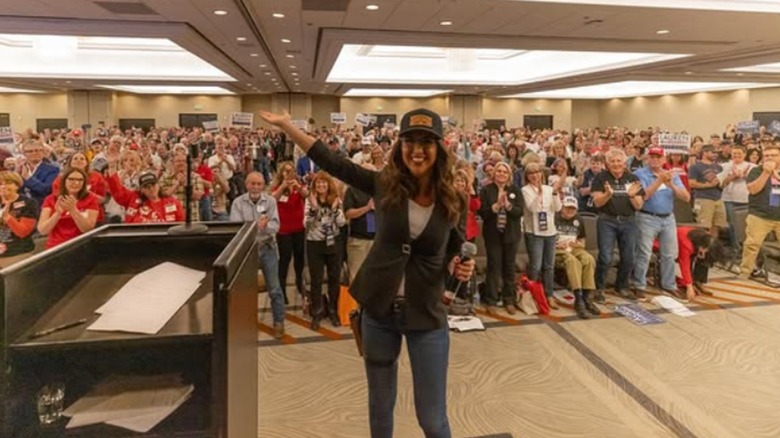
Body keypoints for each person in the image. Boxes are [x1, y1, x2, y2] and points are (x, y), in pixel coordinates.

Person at [259, 107, 474, 438]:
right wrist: (288, 125)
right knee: (380, 407)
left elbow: (453, 247)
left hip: (427, 313)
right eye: (410, 142)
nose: (417, 150)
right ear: (400, 147)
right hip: (379, 311)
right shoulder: (383, 184)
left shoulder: (452, 199)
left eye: (426, 142)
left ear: (439, 148)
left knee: (432, 419)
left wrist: (461, 264)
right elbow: (333, 163)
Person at [231, 172, 286, 339]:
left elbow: (275, 226)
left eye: (259, 184)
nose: (255, 187)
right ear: (247, 185)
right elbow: (237, 228)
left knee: (274, 288)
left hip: (268, 248)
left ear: (263, 186)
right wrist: (258, 225)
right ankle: (244, 324)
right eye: (252, 184)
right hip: (247, 249)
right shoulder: (238, 203)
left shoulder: (270, 201)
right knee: (245, 290)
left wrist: (255, 227)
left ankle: (279, 322)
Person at [632, 147, 690, 300]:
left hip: (668, 218)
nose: (655, 160)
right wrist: (659, 180)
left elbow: (686, 198)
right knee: (644, 253)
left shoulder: (672, 174)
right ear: (647, 159)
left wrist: (671, 184)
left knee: (669, 254)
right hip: (647, 217)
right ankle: (639, 285)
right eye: (652, 157)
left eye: (658, 157)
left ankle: (669, 285)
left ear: (664, 159)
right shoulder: (639, 174)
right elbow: (644, 196)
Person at [591, 148, 645, 303]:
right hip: (607, 221)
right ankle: (599, 288)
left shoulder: (632, 178)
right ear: (607, 164)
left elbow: (638, 206)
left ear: (624, 163)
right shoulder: (601, 178)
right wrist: (607, 194)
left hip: (629, 221)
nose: (616, 164)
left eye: (618, 161)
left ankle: (622, 286)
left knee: (629, 257)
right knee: (605, 257)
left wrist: (632, 195)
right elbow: (597, 201)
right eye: (612, 161)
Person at [479, 161, 524, 315]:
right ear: (494, 173)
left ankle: (509, 300)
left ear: (509, 175)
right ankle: (491, 300)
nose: (501, 174)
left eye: (505, 172)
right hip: (493, 234)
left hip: (511, 234)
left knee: (509, 268)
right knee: (493, 266)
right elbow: (483, 213)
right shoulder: (486, 190)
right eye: (499, 171)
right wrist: (496, 206)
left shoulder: (515, 190)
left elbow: (519, 212)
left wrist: (508, 206)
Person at [304, 171, 347, 329]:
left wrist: (335, 210)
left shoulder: (335, 200)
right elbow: (306, 224)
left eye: (324, 182)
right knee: (316, 280)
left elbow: (342, 223)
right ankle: (317, 312)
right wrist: (314, 209)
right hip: (315, 244)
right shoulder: (310, 201)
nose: (321, 185)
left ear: (329, 185)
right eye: (318, 183)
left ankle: (333, 311)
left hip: (333, 244)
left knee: (334, 279)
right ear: (314, 186)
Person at [522, 162, 563, 308]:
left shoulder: (549, 188)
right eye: (531, 173)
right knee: (536, 266)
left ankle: (549, 294)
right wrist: (539, 194)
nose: (535, 175)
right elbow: (532, 208)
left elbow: (557, 208)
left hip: (550, 232)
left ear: (541, 174)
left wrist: (555, 193)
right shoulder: (525, 190)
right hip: (534, 233)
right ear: (527, 176)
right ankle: (533, 295)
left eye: (537, 172)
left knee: (549, 266)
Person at [554, 196, 600, 319]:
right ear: (562, 207)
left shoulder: (578, 219)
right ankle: (578, 299)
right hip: (557, 250)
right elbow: (545, 239)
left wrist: (580, 244)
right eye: (567, 208)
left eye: (573, 209)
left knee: (588, 259)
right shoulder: (554, 218)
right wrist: (555, 243)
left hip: (573, 248)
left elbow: (582, 240)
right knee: (572, 261)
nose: (570, 211)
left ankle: (587, 297)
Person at [740, 144, 780, 279]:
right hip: (759, 215)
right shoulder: (756, 171)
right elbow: (753, 190)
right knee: (752, 245)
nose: (770, 158)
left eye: (773, 155)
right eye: (767, 155)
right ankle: (745, 273)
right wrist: (766, 173)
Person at [271, 161, 309, 302]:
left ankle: (299, 283)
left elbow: (306, 195)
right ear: (281, 173)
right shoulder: (277, 187)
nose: (289, 173)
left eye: (291, 170)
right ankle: (282, 289)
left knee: (299, 258)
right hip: (284, 230)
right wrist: (283, 186)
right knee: (285, 260)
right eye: (286, 171)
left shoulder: (298, 185)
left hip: (299, 228)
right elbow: (272, 199)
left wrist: (297, 187)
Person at [37, 167, 100, 249]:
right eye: (71, 179)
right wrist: (57, 214)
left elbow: (87, 229)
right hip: (55, 246)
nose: (76, 183)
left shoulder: (91, 199)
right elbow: (43, 230)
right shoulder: (51, 199)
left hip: (80, 245)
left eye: (80, 180)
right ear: (64, 181)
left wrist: (73, 210)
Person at [671, 226, 728, 302]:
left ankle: (696, 282)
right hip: (666, 245)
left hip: (689, 245)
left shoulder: (705, 238)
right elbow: (684, 265)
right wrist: (689, 287)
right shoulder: (687, 244)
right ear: (703, 248)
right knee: (692, 260)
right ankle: (672, 285)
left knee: (703, 258)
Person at [344, 163, 378, 282]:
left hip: (378, 241)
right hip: (359, 241)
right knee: (356, 278)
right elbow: (348, 213)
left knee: (376, 279)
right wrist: (367, 208)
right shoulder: (352, 190)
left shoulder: (381, 190)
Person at [718, 145, 754, 252]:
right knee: (732, 223)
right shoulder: (724, 166)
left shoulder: (752, 166)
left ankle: (747, 246)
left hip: (746, 198)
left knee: (747, 224)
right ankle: (735, 246)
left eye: (739, 153)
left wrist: (744, 176)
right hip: (729, 198)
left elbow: (755, 182)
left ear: (744, 154)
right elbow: (721, 183)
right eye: (734, 153)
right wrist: (732, 176)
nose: (737, 155)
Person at [689, 144, 727, 238]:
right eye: (713, 152)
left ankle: (713, 248)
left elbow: (723, 183)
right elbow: (691, 183)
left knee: (717, 226)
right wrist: (708, 185)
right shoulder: (695, 167)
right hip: (703, 198)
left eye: (716, 153)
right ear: (704, 152)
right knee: (703, 227)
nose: (715, 155)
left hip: (718, 198)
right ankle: (702, 248)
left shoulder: (719, 167)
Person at [0, 171, 38, 258]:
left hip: (19, 253)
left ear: (17, 185)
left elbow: (23, 232)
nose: (3, 186)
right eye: (0, 183)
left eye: (8, 183)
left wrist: (8, 217)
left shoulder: (29, 203)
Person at [19, 139, 59, 207]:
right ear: (24, 153)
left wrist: (28, 178)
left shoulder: (53, 169)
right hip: (22, 206)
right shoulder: (19, 168)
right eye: (30, 151)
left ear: (43, 152)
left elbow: (46, 190)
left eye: (37, 150)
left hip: (42, 205)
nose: (34, 153)